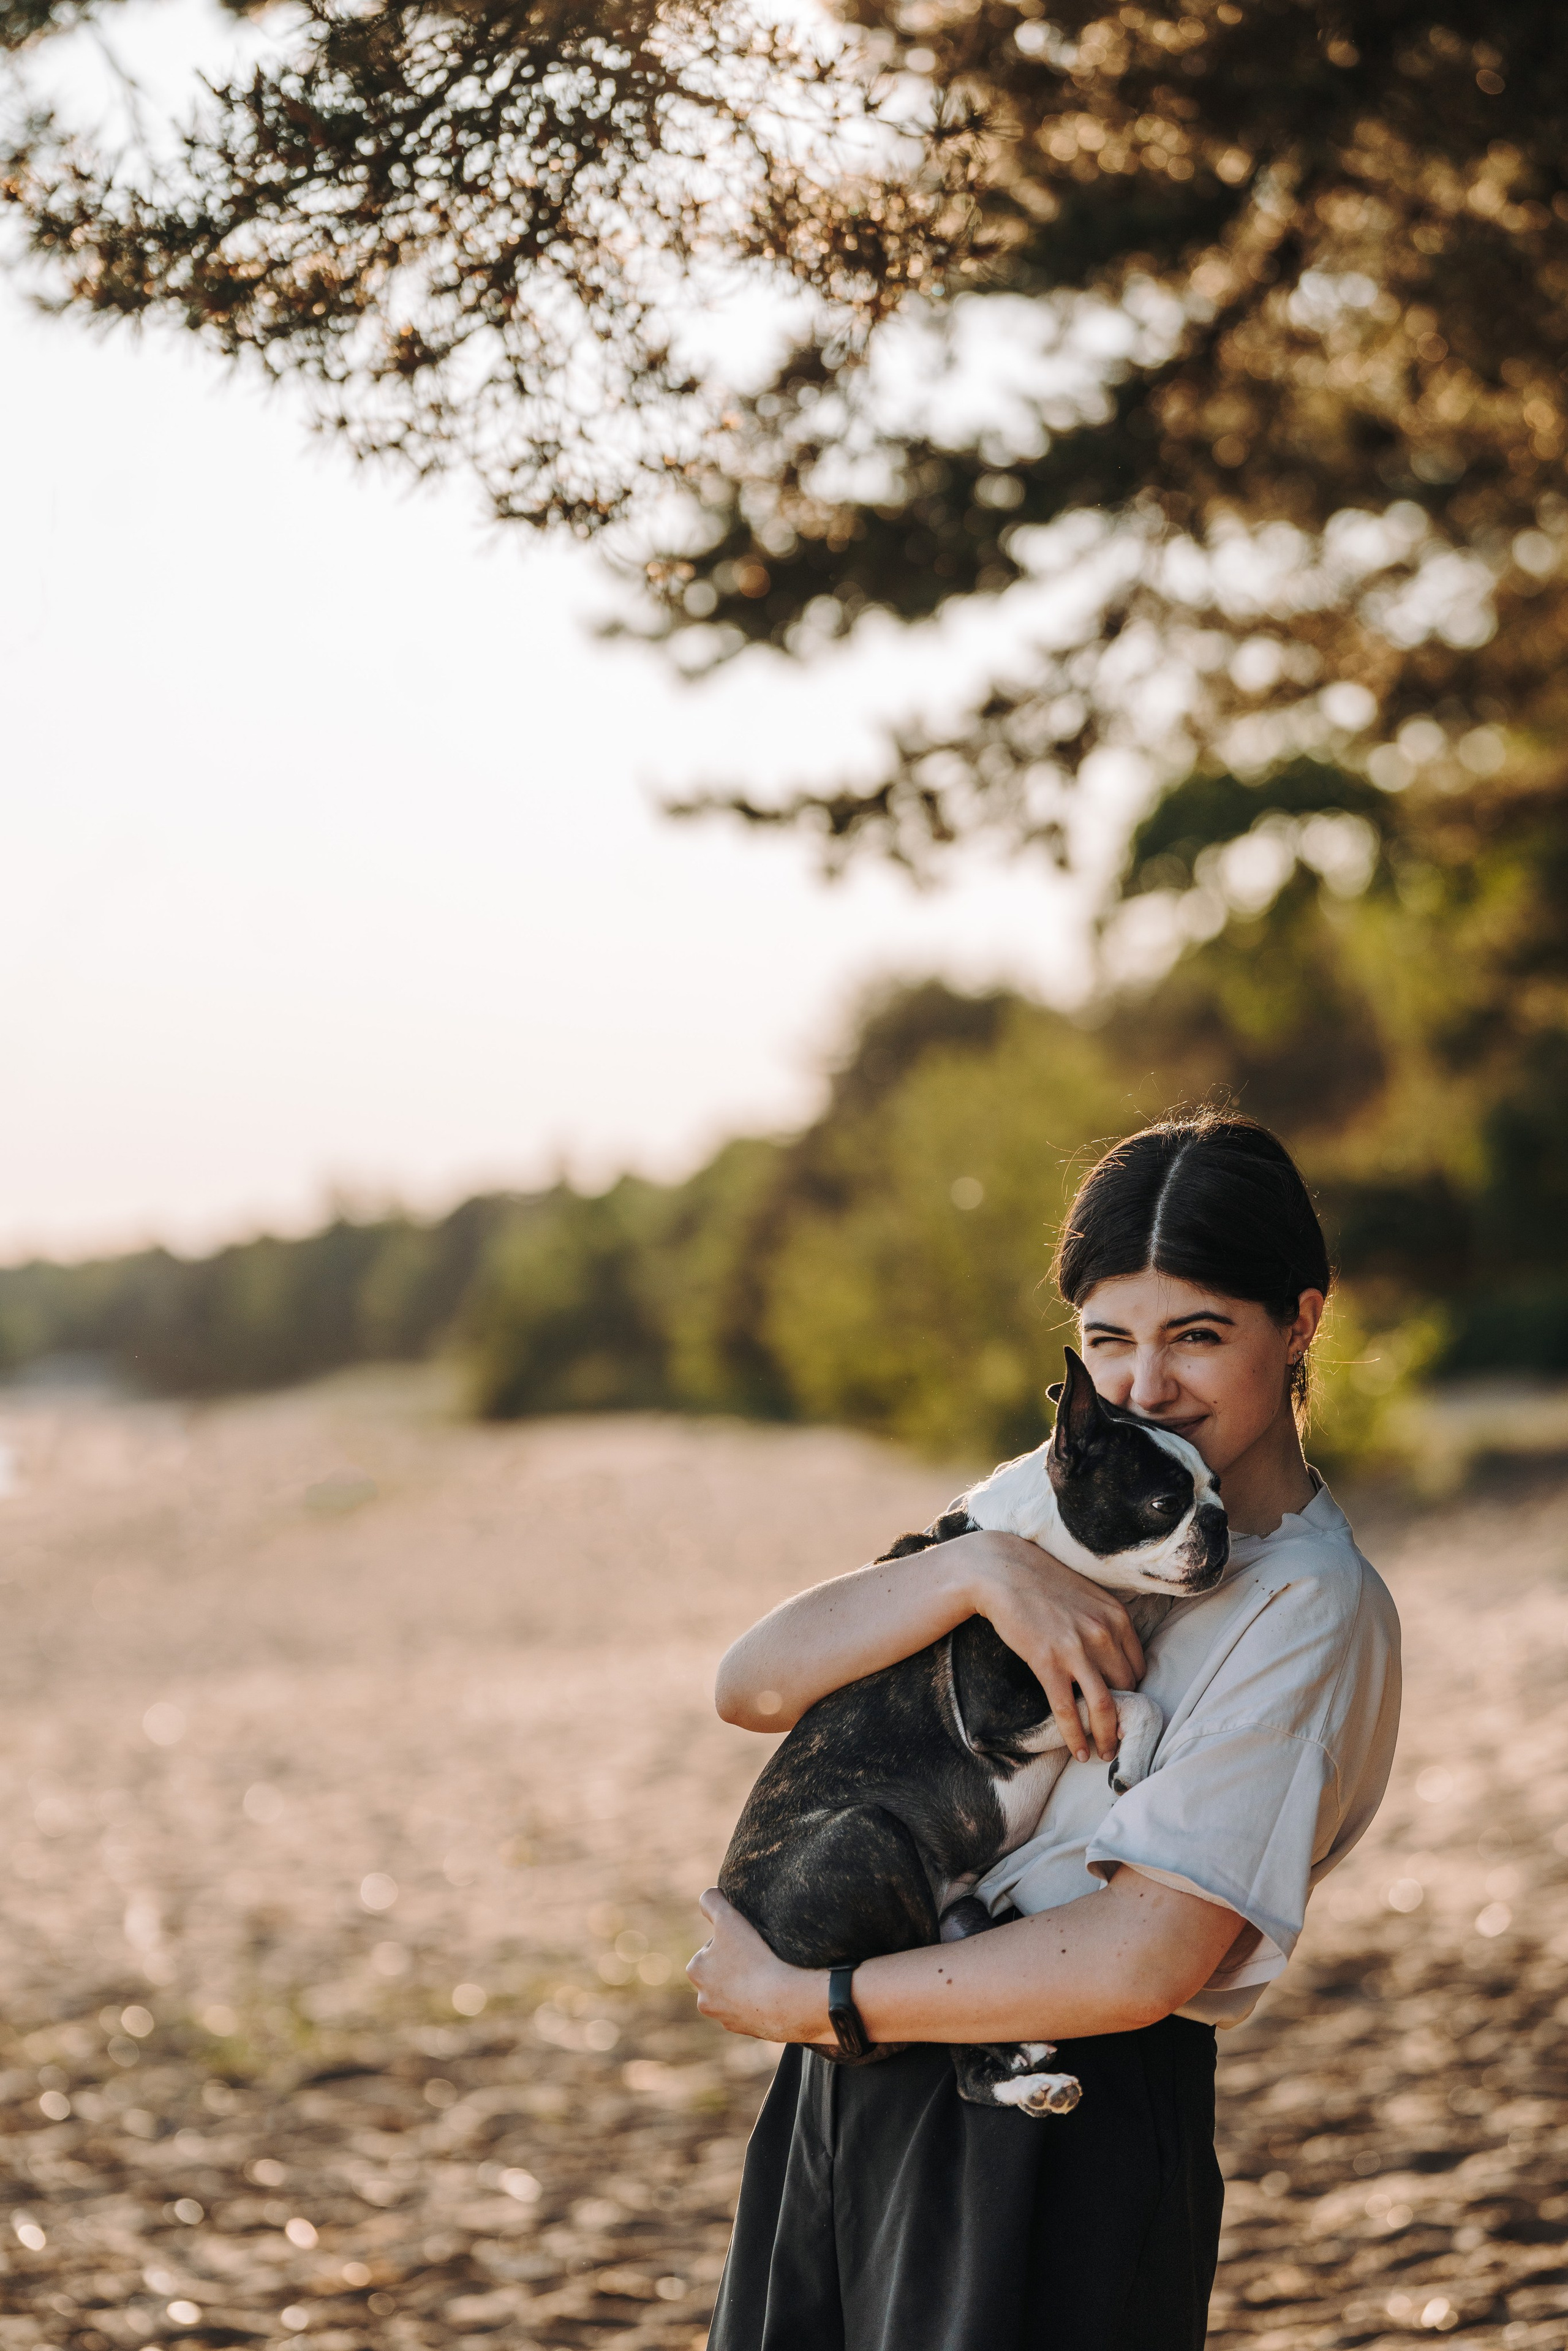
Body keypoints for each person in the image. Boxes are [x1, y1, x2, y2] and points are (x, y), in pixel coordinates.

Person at [687, 1112, 1401, 2351]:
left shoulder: (1306, 1606)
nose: (1142, 1385)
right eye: (1105, 1338)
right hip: (848, 2086)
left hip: (1065, 2128)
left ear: (1298, 1322)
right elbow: (754, 1683)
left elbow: (1141, 1960)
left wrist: (817, 1997)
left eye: (1196, 1334)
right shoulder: (1052, 1493)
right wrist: (980, 1571)